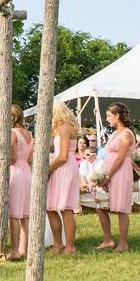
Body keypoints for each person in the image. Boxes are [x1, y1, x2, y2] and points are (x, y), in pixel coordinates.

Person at [97, 102, 134, 252]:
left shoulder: (126, 134)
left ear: (117, 116)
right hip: (108, 171)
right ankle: (108, 239)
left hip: (120, 172)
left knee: (121, 208)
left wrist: (108, 176)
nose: (107, 119)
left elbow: (120, 158)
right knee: (101, 205)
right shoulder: (115, 133)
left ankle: (123, 243)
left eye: (109, 116)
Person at [46, 102, 80, 254]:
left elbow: (63, 155)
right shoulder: (58, 129)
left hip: (64, 168)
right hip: (58, 168)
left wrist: (49, 169)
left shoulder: (65, 127)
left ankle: (70, 246)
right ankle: (58, 243)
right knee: (50, 207)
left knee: (66, 208)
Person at [7, 105, 33, 260]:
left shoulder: (12, 133)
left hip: (15, 172)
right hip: (27, 172)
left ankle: (15, 250)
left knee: (14, 214)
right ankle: (24, 249)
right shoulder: (28, 133)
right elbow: (29, 158)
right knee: (25, 215)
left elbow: (12, 158)